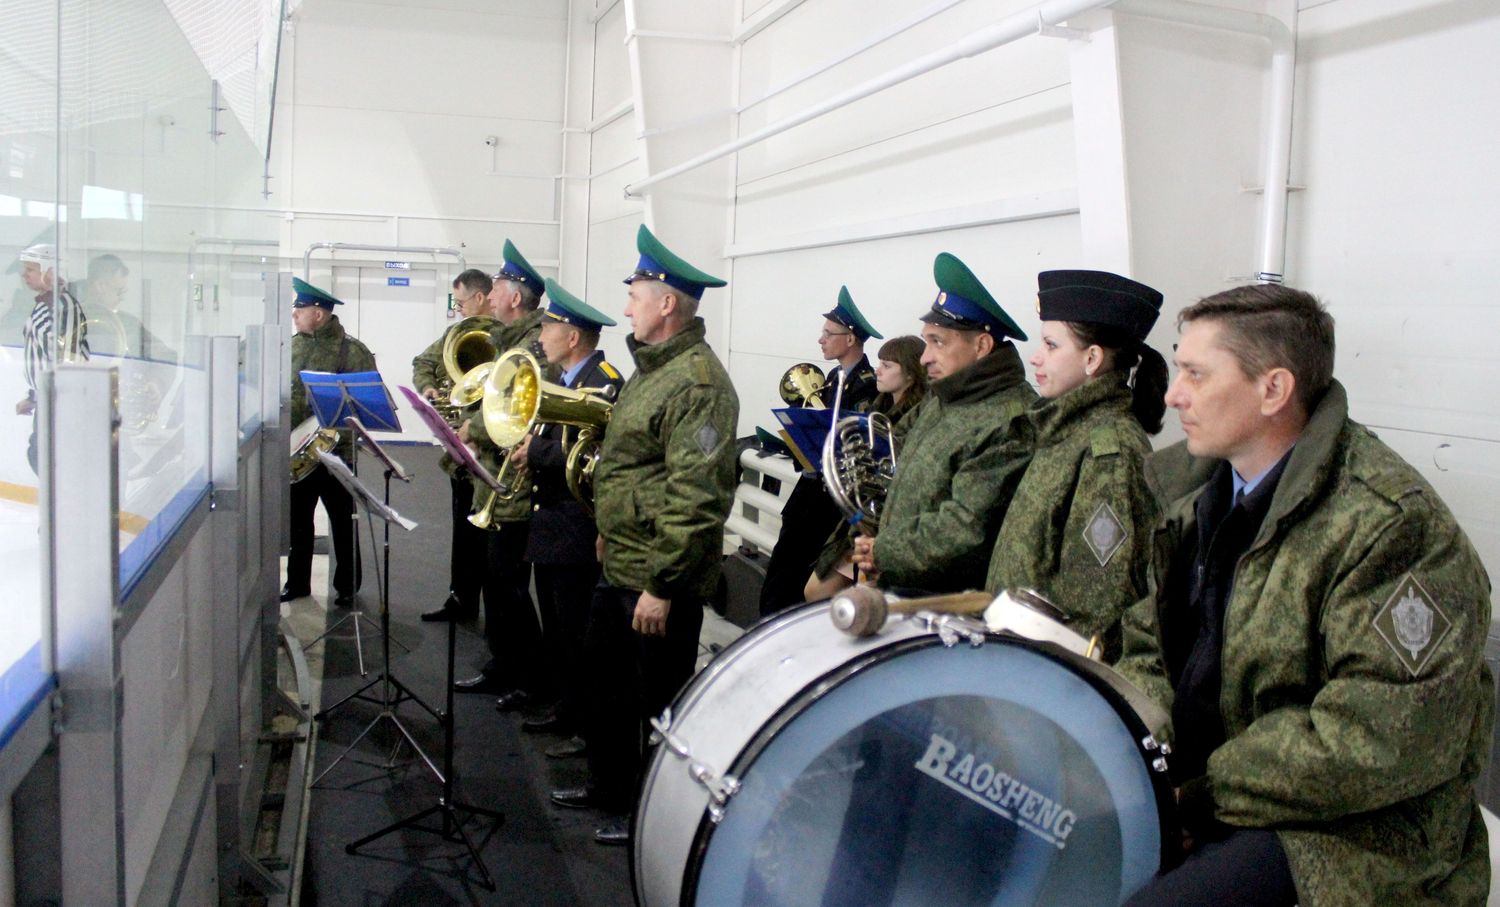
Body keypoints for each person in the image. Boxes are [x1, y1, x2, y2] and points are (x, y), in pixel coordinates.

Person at [1115, 284, 1492, 906]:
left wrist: (1197, 798)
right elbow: (1146, 643)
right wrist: (1142, 768)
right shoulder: (1194, 493)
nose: (1174, 394)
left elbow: (1375, 740)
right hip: (1213, 789)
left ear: (1274, 390)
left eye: (1196, 374)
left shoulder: (1391, 527)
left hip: (1352, 829)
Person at [549, 225, 739, 846]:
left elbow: (697, 496)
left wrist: (663, 585)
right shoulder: (652, 370)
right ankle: (610, 787)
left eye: (635, 296)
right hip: (623, 560)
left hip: (660, 576)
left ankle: (653, 820)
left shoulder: (698, 384)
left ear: (667, 304)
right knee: (605, 686)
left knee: (658, 703)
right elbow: (634, 465)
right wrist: (609, 530)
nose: (627, 308)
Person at [984, 270, 1168, 661]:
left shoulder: (1108, 453)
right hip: (1021, 656)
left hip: (1051, 670)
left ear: (1092, 358)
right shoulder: (1067, 430)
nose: (1035, 356)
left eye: (1051, 345)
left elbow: (1097, 608)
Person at [851, 253, 1035, 592]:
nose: (924, 358)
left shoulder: (1010, 418)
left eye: (938, 342)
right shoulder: (944, 395)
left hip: (947, 602)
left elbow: (966, 525)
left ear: (982, 345)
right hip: (903, 579)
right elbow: (895, 449)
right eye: (926, 341)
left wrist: (886, 550)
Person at [504, 278, 623, 757]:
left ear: (573, 337)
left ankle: (584, 723)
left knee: (578, 632)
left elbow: (599, 455)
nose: (541, 336)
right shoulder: (562, 380)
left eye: (548, 328)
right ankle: (565, 706)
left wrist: (538, 452)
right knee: (557, 627)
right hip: (552, 522)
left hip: (576, 525)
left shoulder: (604, 382)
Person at [452, 240, 550, 709]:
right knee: (496, 582)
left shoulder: (533, 348)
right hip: (494, 480)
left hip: (515, 486)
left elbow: (516, 414)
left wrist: (474, 431)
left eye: (496, 289)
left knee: (509, 585)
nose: (488, 297)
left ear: (514, 297)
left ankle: (528, 676)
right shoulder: (511, 340)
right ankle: (503, 663)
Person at [758, 286, 881, 616]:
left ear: (850, 339)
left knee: (795, 581)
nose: (821, 340)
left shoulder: (867, 385)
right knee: (781, 574)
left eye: (829, 334)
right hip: (811, 493)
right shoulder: (833, 378)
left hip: (832, 503)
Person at [804, 334, 928, 601]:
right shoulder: (877, 408)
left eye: (887, 365)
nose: (878, 370)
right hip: (861, 517)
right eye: (879, 363)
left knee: (845, 596)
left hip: (889, 523)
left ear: (910, 374)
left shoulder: (920, 415)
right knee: (816, 591)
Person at [283, 277, 376, 607]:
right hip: (298, 453)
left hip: (337, 452)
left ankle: (348, 586)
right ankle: (297, 583)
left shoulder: (353, 351)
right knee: (298, 522)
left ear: (319, 314)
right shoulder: (289, 347)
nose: (294, 314)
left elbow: (366, 403)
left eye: (301, 308)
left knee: (343, 520)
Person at [411, 268, 496, 623]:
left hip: (491, 450)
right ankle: (461, 599)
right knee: (462, 531)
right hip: (460, 447)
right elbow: (423, 362)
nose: (457, 308)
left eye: (460, 302)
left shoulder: (507, 336)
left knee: (488, 539)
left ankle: (496, 617)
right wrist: (428, 387)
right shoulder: (455, 333)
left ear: (480, 297)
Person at [15, 244, 89, 474]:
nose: (24, 275)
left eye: (30, 269)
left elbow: (67, 359)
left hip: (61, 401)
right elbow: (46, 357)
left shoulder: (62, 306)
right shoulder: (45, 304)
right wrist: (34, 396)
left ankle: (68, 496)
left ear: (49, 270)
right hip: (49, 398)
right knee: (39, 454)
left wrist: (58, 400)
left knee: (46, 457)